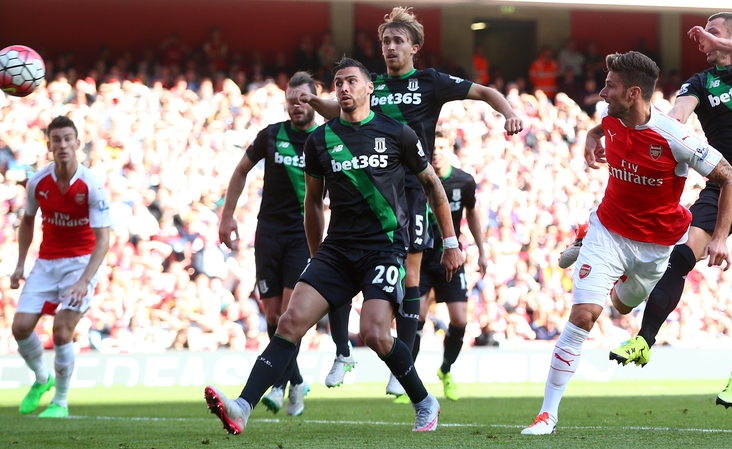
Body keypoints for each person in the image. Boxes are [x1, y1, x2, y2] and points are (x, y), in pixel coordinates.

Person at [204, 56, 465, 435]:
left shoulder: (398, 133)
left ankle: (424, 401)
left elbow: (431, 185)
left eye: (351, 81)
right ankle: (243, 406)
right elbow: (313, 202)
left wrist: (452, 242)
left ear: (369, 87)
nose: (343, 88)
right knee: (290, 321)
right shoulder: (320, 140)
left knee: (375, 333)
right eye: (338, 82)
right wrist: (316, 255)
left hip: (384, 248)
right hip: (337, 251)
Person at [291, 6, 522, 396]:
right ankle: (365, 351)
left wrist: (510, 112)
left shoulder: (431, 82)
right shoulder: (371, 84)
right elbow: (338, 108)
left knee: (412, 273)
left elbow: (484, 91)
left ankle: (403, 363)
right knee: (352, 263)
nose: (390, 47)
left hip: (415, 187)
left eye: (398, 41)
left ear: (415, 47)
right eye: (385, 42)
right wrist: (312, 101)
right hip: (380, 187)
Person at [521, 51, 732, 435]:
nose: (603, 91)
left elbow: (730, 178)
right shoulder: (612, 118)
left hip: (655, 246)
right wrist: (590, 139)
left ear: (634, 93)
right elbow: (601, 127)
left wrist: (720, 236)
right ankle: (547, 414)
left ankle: (598, 260)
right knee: (586, 315)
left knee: (622, 306)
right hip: (608, 230)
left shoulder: (676, 137)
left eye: (611, 86)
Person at [609, 12, 732, 409]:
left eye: (714, 33)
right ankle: (644, 340)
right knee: (683, 256)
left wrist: (721, 43)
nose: (703, 40)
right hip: (722, 183)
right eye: (704, 35)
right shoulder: (700, 82)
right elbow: (676, 117)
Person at [218, 72, 319, 417]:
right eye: (291, 99)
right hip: (269, 233)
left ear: (314, 101)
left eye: (303, 99)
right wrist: (227, 215)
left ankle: (277, 385)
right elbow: (240, 171)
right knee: (273, 316)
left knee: (289, 314)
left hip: (303, 236)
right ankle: (297, 380)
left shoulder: (325, 139)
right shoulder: (271, 135)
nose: (296, 105)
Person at [11, 115, 112, 418]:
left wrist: (84, 280)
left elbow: (103, 239)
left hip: (80, 264)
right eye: (57, 139)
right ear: (49, 145)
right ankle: (43, 379)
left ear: (78, 143)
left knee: (63, 329)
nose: (63, 144)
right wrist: (19, 264)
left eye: (68, 138)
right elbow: (27, 221)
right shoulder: (37, 183)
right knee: (20, 328)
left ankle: (61, 402)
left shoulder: (91, 185)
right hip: (46, 263)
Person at [409, 127, 488, 402]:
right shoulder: (416, 179)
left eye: (441, 148)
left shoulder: (463, 181)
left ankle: (445, 370)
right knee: (415, 318)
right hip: (421, 257)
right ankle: (407, 380)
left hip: (450, 259)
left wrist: (481, 250)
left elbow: (472, 214)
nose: (436, 153)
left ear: (450, 149)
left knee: (460, 319)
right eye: (432, 148)